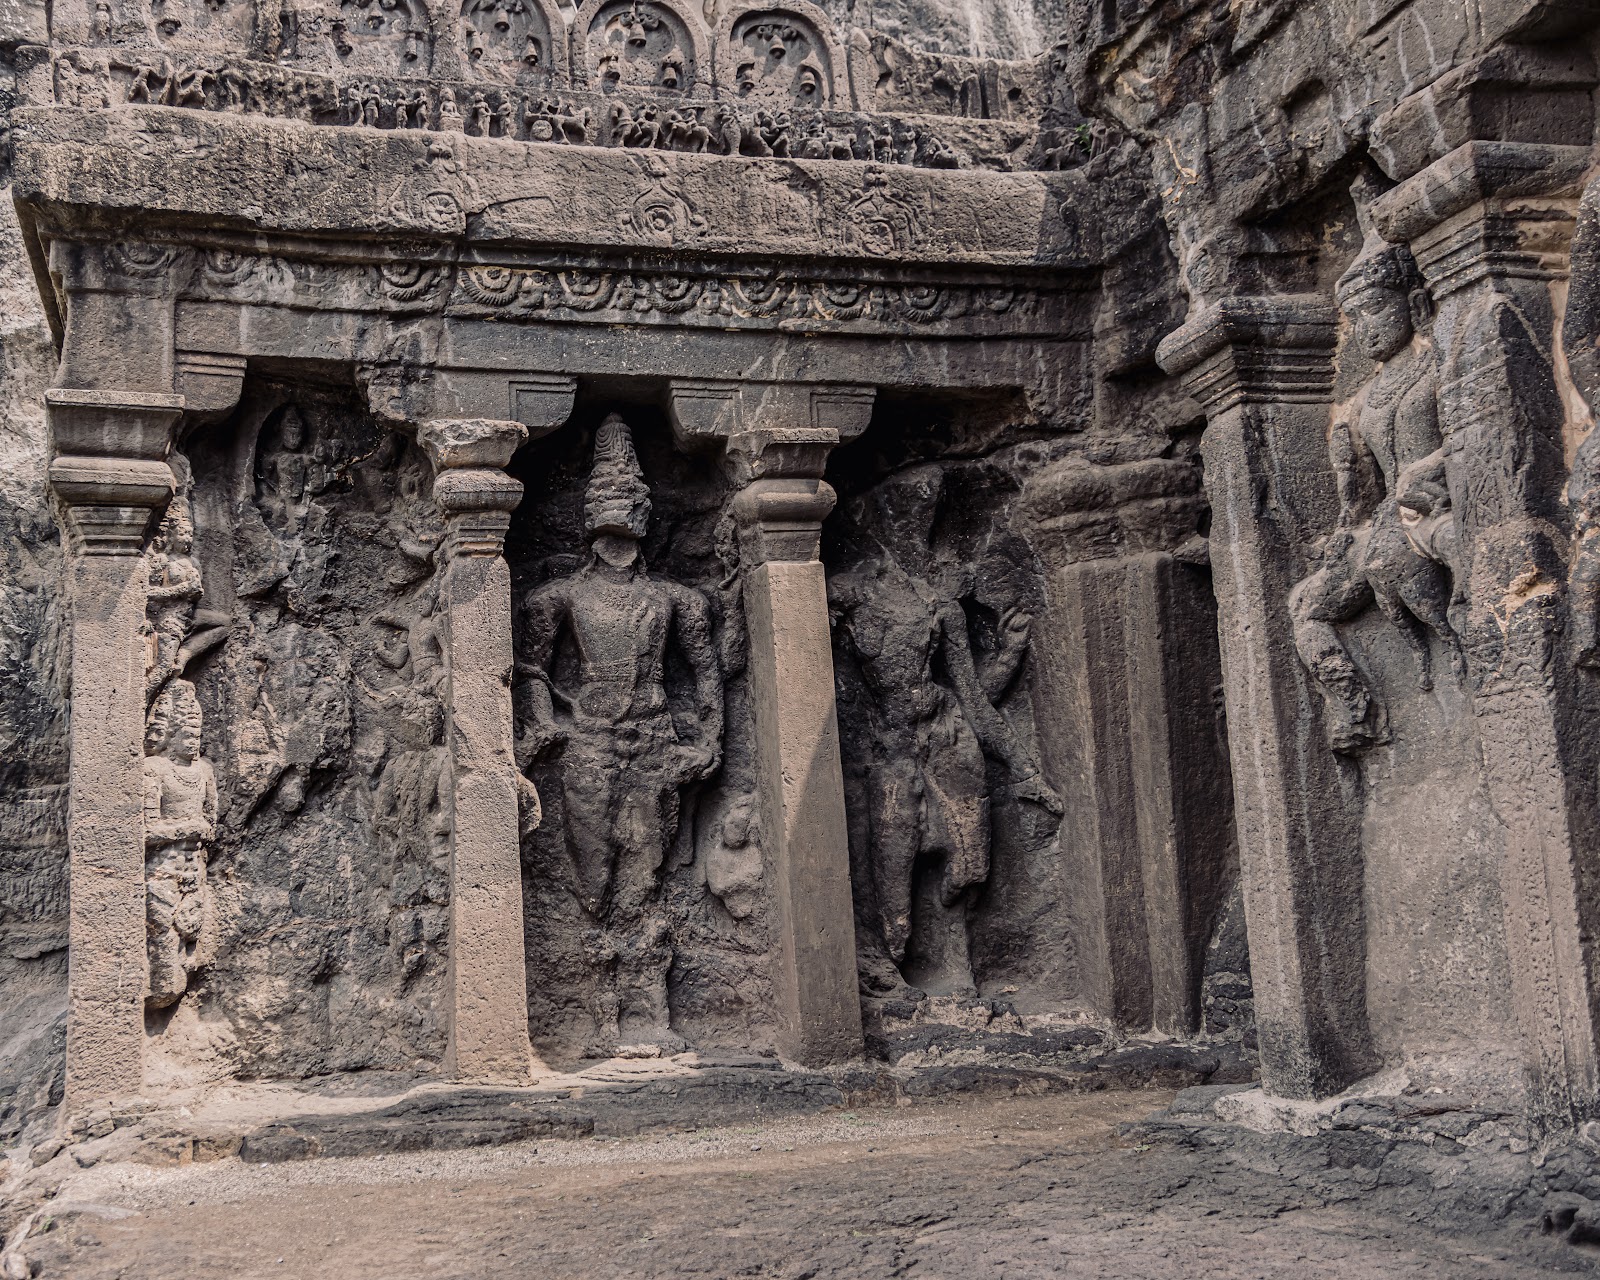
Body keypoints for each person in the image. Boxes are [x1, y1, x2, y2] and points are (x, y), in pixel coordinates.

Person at [516, 414, 722, 1051]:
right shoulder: (555, 600)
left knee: (645, 871)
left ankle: (651, 1012)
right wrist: (545, 721)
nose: (620, 509)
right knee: (594, 875)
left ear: (647, 512)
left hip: (653, 740)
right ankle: (603, 1014)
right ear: (586, 514)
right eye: (607, 498)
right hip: (590, 744)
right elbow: (529, 668)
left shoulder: (677, 600)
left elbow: (707, 671)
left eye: (632, 499)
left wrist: (709, 739)